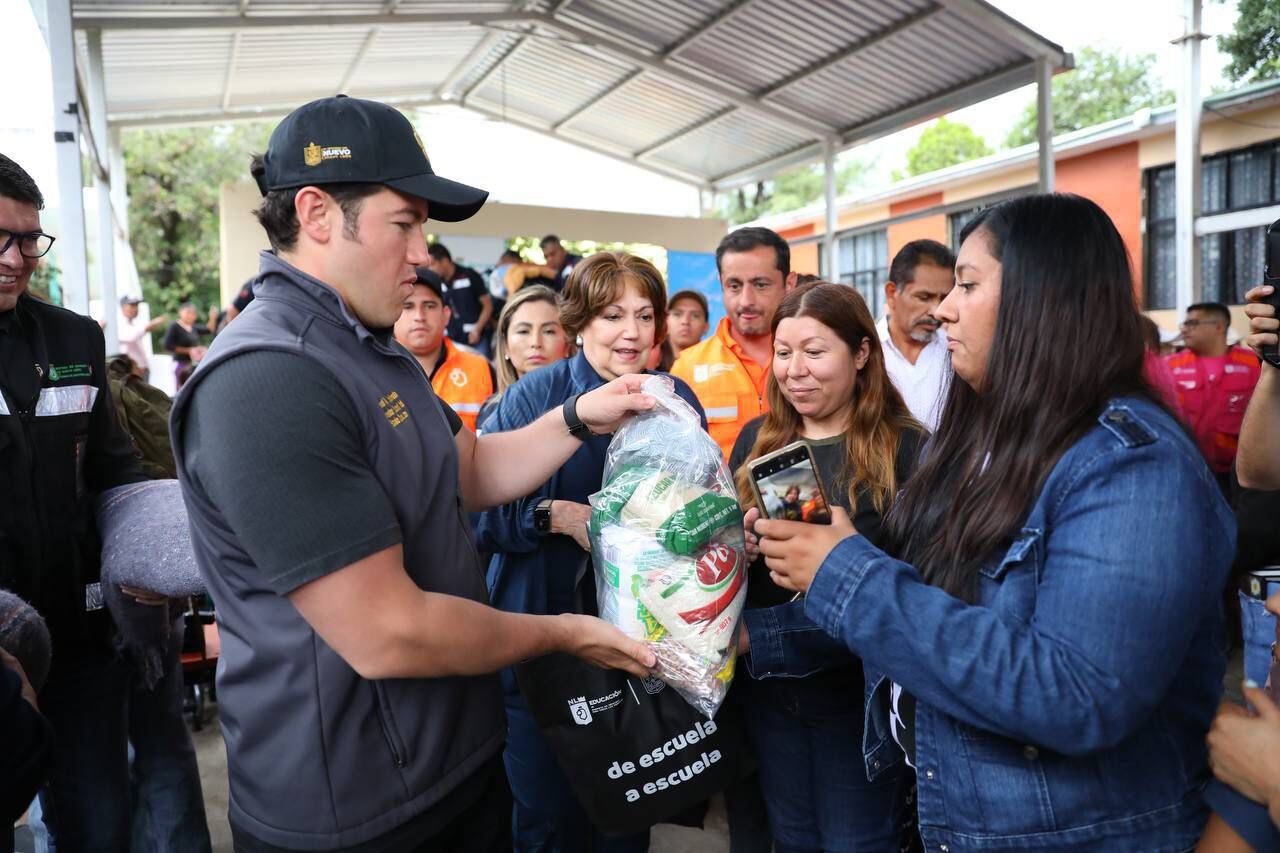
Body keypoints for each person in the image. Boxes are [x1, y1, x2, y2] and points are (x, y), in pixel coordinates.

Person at [169, 95, 657, 853]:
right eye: (405, 224)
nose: (423, 253)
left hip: (452, 761)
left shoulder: (373, 348)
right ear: (317, 213)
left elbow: (471, 469)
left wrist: (577, 416)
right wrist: (564, 634)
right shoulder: (269, 377)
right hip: (356, 805)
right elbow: (388, 633)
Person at [755, 194, 1234, 850]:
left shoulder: (1129, 466)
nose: (944, 309)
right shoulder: (990, 440)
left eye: (968, 284)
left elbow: (1077, 693)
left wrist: (847, 573)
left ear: (1044, 300)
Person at [476, 251, 705, 853]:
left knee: (626, 818)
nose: (631, 332)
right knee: (548, 820)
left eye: (644, 315)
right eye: (612, 315)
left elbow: (700, 504)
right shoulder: (536, 396)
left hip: (639, 645)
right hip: (543, 641)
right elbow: (479, 515)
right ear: (578, 324)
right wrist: (554, 516)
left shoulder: (674, 398)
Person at [0, 153, 183, 852]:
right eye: (1, 239)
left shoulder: (74, 338)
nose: (16, 259)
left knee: (100, 826)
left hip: (80, 641)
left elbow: (117, 473)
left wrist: (165, 554)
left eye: (29, 240)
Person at [729, 281, 924, 851]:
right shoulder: (758, 439)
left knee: (857, 841)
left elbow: (914, 591)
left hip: (856, 703)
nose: (795, 371)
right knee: (792, 840)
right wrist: (737, 544)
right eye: (783, 352)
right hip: (770, 698)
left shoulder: (907, 449)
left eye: (814, 352)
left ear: (861, 354)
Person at [671, 227, 792, 459]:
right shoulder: (687, 367)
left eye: (760, 285)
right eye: (734, 286)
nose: (746, 300)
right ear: (721, 284)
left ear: (789, 283)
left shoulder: (810, 359)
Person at [1166, 301, 1261, 491]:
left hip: (1239, 474)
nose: (1185, 329)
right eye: (1185, 324)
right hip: (1186, 469)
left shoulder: (1253, 364)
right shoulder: (1170, 366)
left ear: (1219, 327)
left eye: (1193, 323)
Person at [394, 267, 496, 432]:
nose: (419, 316)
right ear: (392, 314)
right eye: (408, 306)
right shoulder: (371, 374)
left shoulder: (481, 368)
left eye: (429, 306)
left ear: (446, 315)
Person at [878, 239, 954, 431]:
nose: (936, 311)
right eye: (924, 297)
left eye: (944, 298)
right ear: (892, 293)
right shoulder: (865, 353)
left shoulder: (956, 352)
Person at [476, 284, 571, 430]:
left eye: (549, 331)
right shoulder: (491, 413)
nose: (535, 343)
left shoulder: (588, 409)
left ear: (568, 344)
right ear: (505, 346)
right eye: (523, 331)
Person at [426, 242, 495, 356]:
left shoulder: (470, 275)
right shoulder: (437, 283)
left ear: (445, 261)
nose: (430, 269)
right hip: (450, 341)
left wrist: (477, 330)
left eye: (432, 264)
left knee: (482, 366)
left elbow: (488, 306)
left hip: (476, 339)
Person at [161, 302, 217, 389]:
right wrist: (190, 350)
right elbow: (168, 346)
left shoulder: (193, 327)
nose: (190, 315)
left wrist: (212, 317)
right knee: (181, 389)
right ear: (180, 312)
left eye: (193, 313)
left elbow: (209, 329)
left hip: (191, 365)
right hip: (179, 364)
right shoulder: (174, 326)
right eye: (188, 312)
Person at [116, 295, 167, 383]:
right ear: (123, 307)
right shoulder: (118, 323)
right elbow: (131, 336)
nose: (136, 309)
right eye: (132, 305)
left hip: (140, 370)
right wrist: (149, 325)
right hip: (131, 372)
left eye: (136, 305)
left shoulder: (132, 324)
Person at [667, 289, 710, 354]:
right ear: (665, 323)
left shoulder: (717, 359)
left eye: (695, 316)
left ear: (706, 327)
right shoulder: (651, 358)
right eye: (677, 314)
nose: (685, 321)